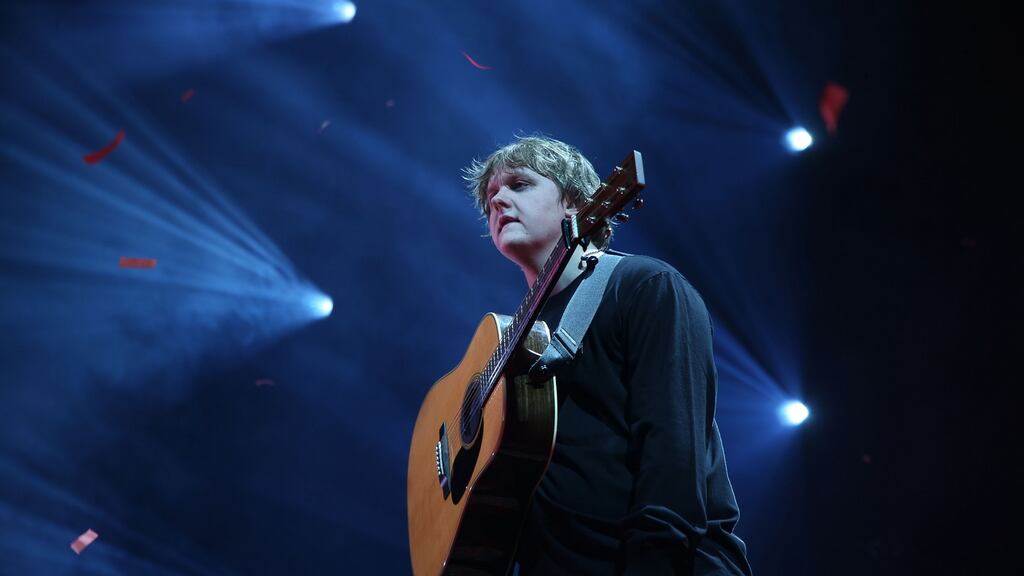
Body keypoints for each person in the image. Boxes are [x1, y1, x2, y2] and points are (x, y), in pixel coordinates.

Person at [462, 136, 753, 575]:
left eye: (519, 185)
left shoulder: (642, 285)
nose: (498, 199)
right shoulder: (513, 342)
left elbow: (672, 446)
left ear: (575, 204)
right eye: (490, 197)